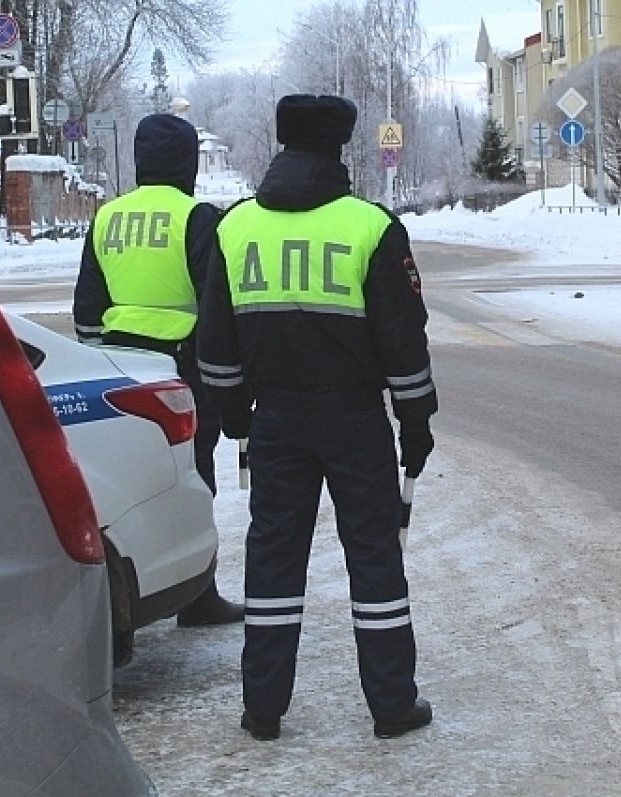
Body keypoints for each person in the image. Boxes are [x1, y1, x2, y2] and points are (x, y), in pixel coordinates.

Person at [197, 94, 437, 742]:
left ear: (281, 142)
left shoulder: (236, 227)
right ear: (340, 147)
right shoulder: (371, 227)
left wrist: (234, 415)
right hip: (355, 420)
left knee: (273, 561)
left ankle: (263, 708)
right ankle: (391, 705)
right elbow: (403, 339)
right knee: (375, 561)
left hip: (276, 419)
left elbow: (214, 343)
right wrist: (415, 422)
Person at [72, 113, 245, 627]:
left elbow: (87, 308)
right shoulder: (198, 217)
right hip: (181, 369)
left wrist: (102, 358)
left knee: (131, 481)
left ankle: (142, 584)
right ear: (189, 162)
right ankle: (196, 592)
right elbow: (216, 306)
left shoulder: (107, 217)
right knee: (193, 476)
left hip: (121, 366)